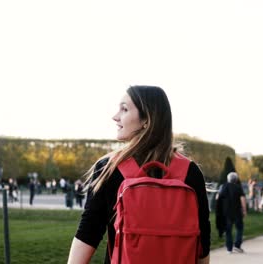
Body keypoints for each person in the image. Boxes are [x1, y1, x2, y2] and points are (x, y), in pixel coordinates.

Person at [67, 85, 210, 264]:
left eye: (124, 109)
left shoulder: (109, 169)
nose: (115, 116)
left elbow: (88, 235)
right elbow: (202, 244)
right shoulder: (190, 173)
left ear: (146, 120)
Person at [217, 172, 247, 254]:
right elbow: (242, 199)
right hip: (237, 211)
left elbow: (217, 198)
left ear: (228, 179)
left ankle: (229, 249)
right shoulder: (238, 187)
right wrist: (244, 210)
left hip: (226, 212)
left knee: (228, 230)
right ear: (236, 179)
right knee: (239, 228)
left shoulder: (223, 186)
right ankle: (237, 245)